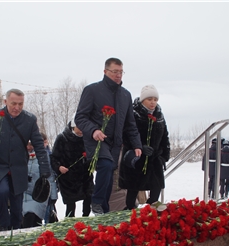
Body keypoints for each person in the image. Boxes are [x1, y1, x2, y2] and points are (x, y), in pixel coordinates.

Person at [74, 57, 142, 215]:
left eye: (121, 72)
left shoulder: (125, 95)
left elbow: (130, 124)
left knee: (109, 175)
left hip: (115, 143)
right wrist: (93, 130)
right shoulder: (92, 90)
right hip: (96, 140)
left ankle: (103, 211)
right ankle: (97, 201)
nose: (118, 75)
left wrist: (137, 144)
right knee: (104, 165)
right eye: (114, 72)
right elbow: (80, 117)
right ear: (105, 72)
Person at [0, 89, 51, 231]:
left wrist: (45, 168)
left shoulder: (29, 119)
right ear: (5, 102)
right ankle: (4, 226)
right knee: (3, 191)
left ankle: (16, 229)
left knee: (17, 203)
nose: (17, 108)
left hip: (18, 167)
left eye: (20, 104)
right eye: (13, 104)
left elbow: (39, 146)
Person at [119, 85, 170, 209]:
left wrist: (164, 157)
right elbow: (125, 134)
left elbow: (165, 137)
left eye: (155, 99)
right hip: (136, 158)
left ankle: (149, 215)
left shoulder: (160, 116)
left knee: (155, 191)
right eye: (149, 99)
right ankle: (131, 218)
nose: (153, 102)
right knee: (132, 191)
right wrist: (140, 147)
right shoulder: (133, 114)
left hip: (154, 159)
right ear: (142, 100)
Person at [51, 119, 94, 217]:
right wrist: (59, 167)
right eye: (79, 127)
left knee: (89, 197)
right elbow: (53, 157)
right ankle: (70, 224)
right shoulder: (62, 138)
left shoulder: (87, 138)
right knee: (70, 205)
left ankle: (86, 220)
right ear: (73, 126)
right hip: (68, 177)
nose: (81, 130)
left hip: (85, 175)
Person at [22, 141, 58, 228]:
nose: (28, 147)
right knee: (28, 218)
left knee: (36, 220)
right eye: (27, 144)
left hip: (39, 195)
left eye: (31, 144)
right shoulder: (19, 156)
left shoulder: (43, 157)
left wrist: (53, 196)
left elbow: (50, 178)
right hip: (25, 194)